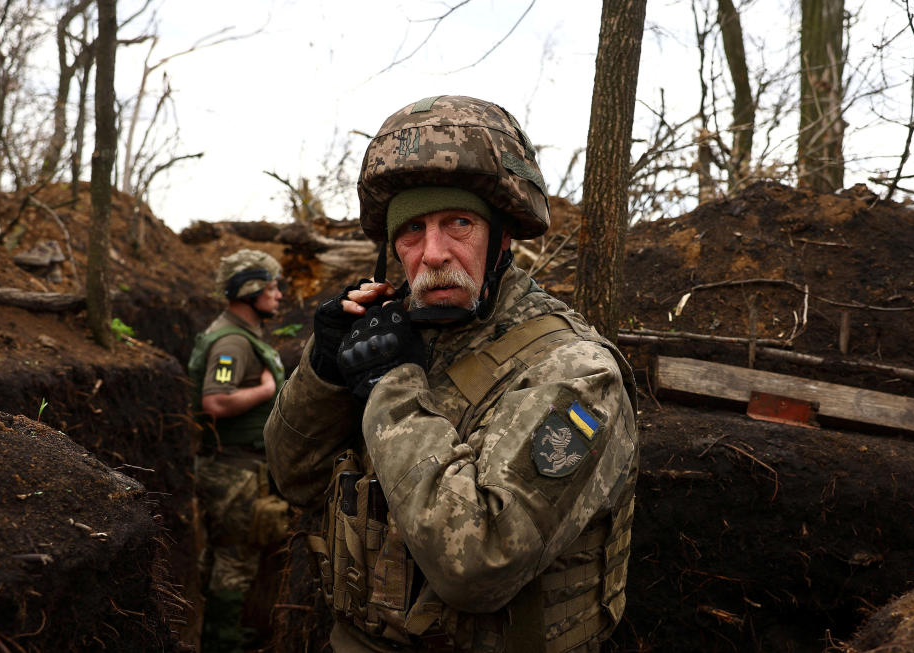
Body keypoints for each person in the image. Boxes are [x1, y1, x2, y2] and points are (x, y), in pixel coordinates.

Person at [264, 95, 639, 652]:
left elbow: (481, 563)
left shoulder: (575, 371)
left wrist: (390, 387)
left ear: (502, 237)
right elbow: (291, 478)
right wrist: (323, 370)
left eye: (457, 223)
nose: (433, 252)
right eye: (412, 230)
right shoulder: (398, 336)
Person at [187, 248, 288, 650]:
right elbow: (216, 401)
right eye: (272, 286)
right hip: (235, 470)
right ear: (249, 291)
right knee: (235, 559)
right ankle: (221, 641)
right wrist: (265, 390)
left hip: (231, 465)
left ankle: (218, 630)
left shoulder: (238, 335)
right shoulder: (232, 342)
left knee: (222, 554)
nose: (279, 294)